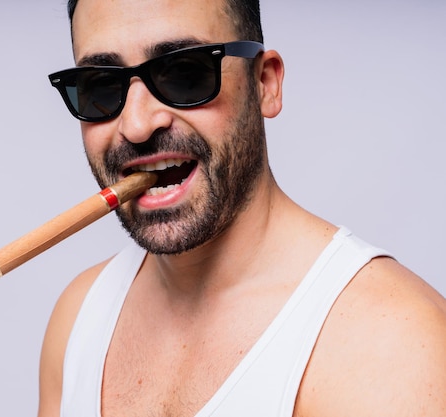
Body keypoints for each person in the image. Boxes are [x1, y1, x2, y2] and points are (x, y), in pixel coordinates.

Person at [38, 0, 446, 415]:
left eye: (184, 73)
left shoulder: (393, 343)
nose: (137, 125)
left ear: (265, 83)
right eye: (100, 86)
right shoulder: (78, 319)